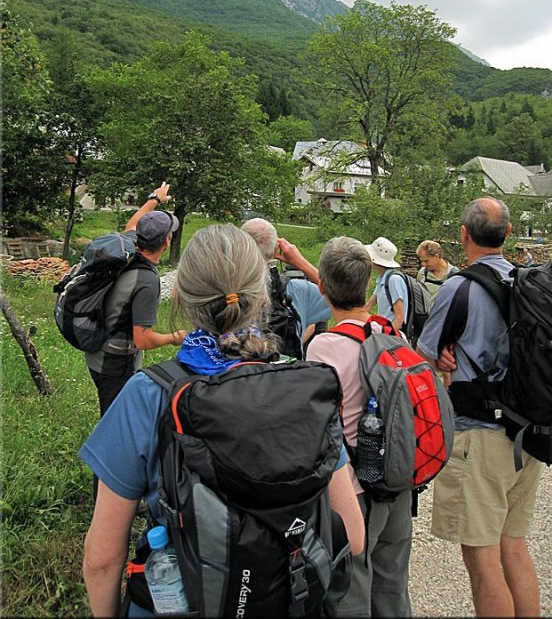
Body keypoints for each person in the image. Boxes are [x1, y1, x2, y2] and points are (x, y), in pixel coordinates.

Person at [80, 224, 364, 618]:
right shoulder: (303, 386)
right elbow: (354, 534)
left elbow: (102, 559)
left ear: (178, 296)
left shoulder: (148, 393)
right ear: (262, 296)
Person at [416, 198, 543, 618]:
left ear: (463, 235)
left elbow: (427, 351)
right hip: (527, 430)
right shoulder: (529, 283)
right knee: (514, 547)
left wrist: (447, 354)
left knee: (483, 560)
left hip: (480, 434)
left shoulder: (459, 286)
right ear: (509, 234)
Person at [278, 235, 413, 618]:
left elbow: (319, 423)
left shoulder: (324, 347)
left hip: (355, 489)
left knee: (351, 587)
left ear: (322, 286)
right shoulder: (392, 334)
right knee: (392, 585)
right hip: (397, 482)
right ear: (369, 283)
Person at [85, 182, 187, 418]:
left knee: (118, 415)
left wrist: (156, 199)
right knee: (115, 420)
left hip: (97, 346)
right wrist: (175, 338)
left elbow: (132, 223)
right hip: (114, 362)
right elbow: (142, 339)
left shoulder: (127, 248)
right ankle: (105, 454)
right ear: (167, 241)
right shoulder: (146, 281)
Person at [241, 218, 331, 350]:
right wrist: (300, 262)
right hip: (285, 368)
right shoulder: (297, 290)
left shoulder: (221, 288)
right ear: (276, 248)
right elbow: (342, 298)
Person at [363, 236, 409, 332]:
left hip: (393, 332)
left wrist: (387, 338)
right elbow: (368, 306)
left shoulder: (394, 279)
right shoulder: (382, 278)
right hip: (384, 329)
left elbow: (399, 317)